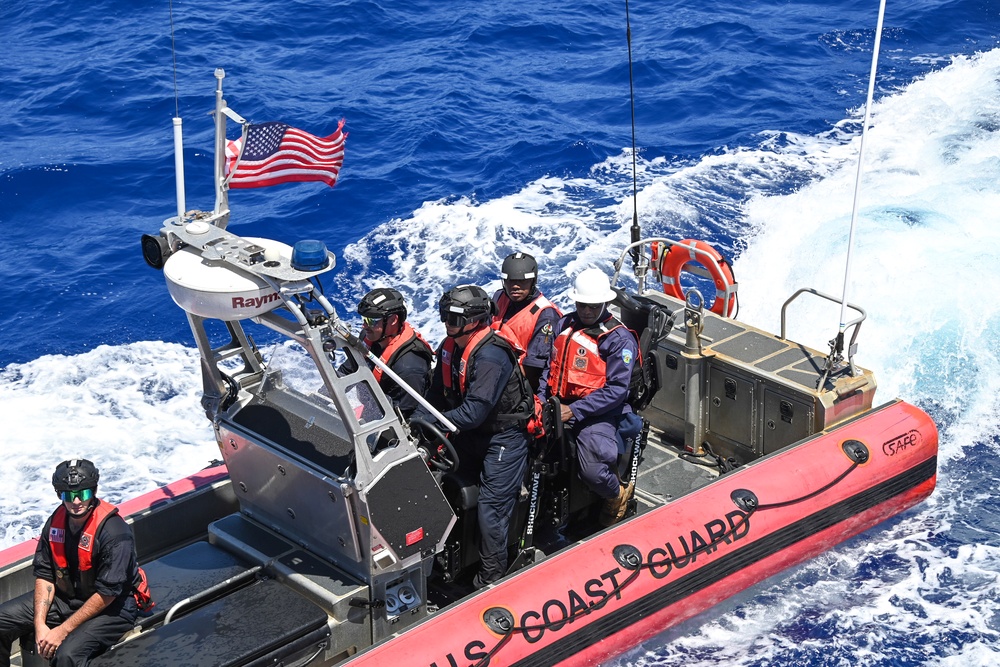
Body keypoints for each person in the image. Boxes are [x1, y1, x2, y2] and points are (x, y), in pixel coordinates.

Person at [416, 285, 533, 589]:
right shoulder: (449, 347)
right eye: (444, 315)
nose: (446, 322)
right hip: (470, 435)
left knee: (491, 508)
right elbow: (435, 396)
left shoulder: (492, 356)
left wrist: (437, 424)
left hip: (503, 439)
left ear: (475, 318)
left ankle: (492, 577)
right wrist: (416, 422)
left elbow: (472, 414)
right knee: (430, 484)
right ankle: (433, 561)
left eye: (453, 317)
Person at [0, 459, 140, 667]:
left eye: (82, 494)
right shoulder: (55, 522)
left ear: (93, 492)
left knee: (67, 656)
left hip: (111, 608)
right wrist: (40, 625)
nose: (76, 502)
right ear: (60, 495)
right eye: (69, 495)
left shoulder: (114, 533)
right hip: (66, 599)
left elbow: (108, 593)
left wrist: (62, 630)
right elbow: (45, 575)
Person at [538, 268, 639, 526]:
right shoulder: (564, 325)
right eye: (582, 305)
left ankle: (616, 494)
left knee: (593, 471)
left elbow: (617, 390)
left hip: (598, 412)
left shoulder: (618, 339)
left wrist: (575, 411)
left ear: (604, 303)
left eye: (593, 307)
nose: (587, 312)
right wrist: (540, 400)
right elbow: (549, 368)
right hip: (557, 404)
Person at [345, 288, 434, 419]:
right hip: (374, 408)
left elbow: (401, 418)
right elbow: (347, 370)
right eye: (364, 319)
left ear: (393, 320)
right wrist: (321, 400)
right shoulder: (370, 336)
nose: (365, 326)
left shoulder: (409, 368)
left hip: (396, 421)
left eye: (371, 321)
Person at [492, 252, 561, 393]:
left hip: (519, 386)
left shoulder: (546, 315)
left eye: (522, 281)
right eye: (510, 281)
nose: (515, 286)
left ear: (532, 282)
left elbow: (534, 370)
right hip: (492, 366)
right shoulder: (499, 297)